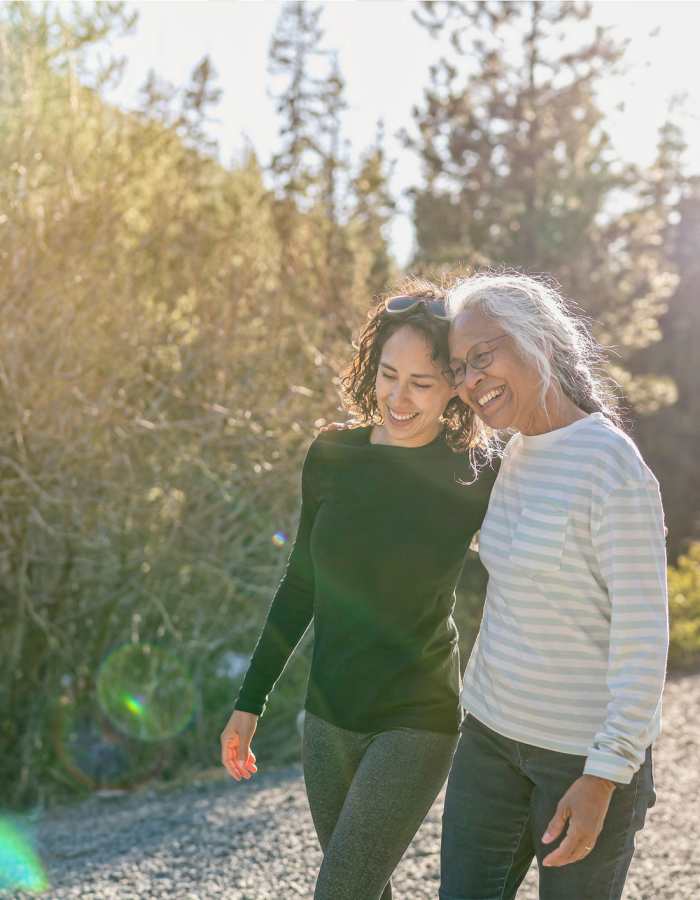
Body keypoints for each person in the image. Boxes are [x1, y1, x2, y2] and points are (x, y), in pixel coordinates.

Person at [220, 280, 494, 900]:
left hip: (416, 719)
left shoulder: (474, 475)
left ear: (455, 385)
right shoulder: (332, 454)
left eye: (421, 383)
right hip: (327, 719)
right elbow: (300, 585)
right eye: (388, 374)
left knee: (340, 891)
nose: (398, 398)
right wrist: (249, 702)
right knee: (367, 888)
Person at [440, 272, 668, 900]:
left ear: (536, 338)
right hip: (488, 740)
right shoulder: (508, 456)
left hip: (580, 761)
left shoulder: (609, 463)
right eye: (459, 367)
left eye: (482, 356)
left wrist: (605, 776)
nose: (469, 380)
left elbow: (644, 636)